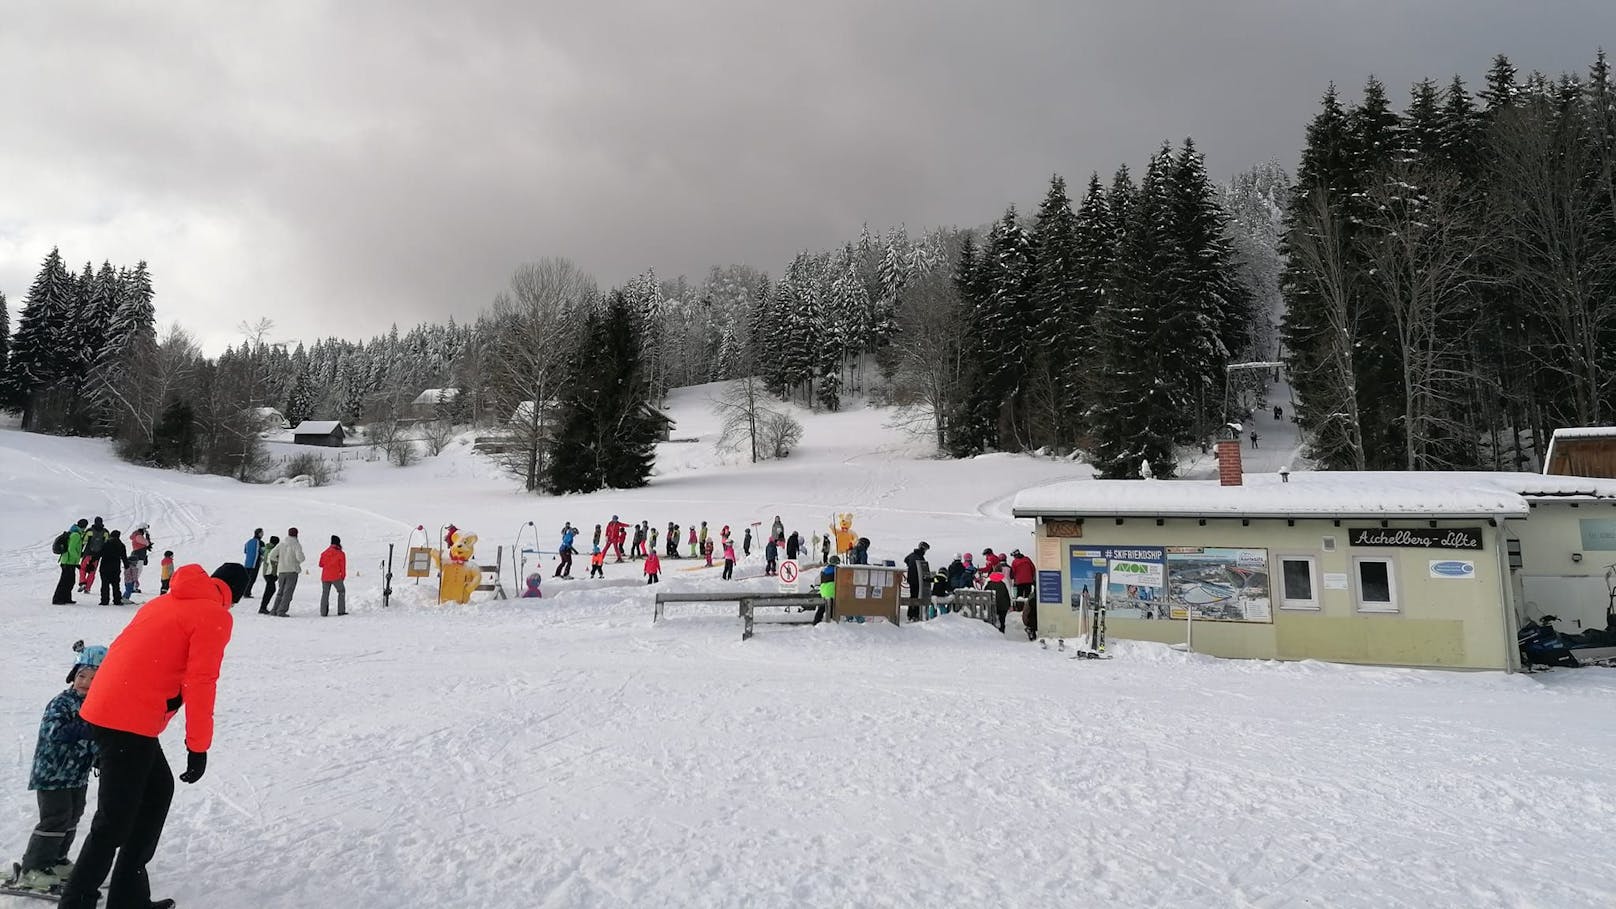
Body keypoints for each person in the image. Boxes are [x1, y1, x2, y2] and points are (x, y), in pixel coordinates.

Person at [57, 562, 245, 909]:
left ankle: (128, 898)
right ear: (236, 593)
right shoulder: (214, 615)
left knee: (156, 792)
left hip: (112, 709)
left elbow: (130, 652)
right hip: (127, 720)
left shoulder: (163, 601)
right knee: (114, 822)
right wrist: (198, 746)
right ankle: (75, 903)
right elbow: (201, 682)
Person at [11, 644, 105, 893]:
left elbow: (94, 742)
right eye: (81, 675)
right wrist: (87, 727)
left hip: (76, 775)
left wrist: (100, 758)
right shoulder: (63, 703)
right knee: (54, 819)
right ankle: (33, 868)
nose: (85, 682)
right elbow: (55, 732)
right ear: (73, 676)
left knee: (72, 817)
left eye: (94, 678)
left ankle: (56, 860)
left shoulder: (97, 706)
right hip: (52, 774)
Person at [270, 527, 305, 617]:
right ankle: (281, 611)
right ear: (296, 534)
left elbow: (272, 555)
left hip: (281, 570)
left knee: (280, 591)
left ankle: (274, 610)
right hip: (292, 571)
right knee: (288, 593)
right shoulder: (296, 544)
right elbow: (300, 558)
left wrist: (279, 561)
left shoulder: (281, 543)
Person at [53, 519, 88, 605]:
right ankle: (58, 599)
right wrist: (77, 556)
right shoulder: (76, 535)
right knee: (65, 581)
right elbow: (71, 548)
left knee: (70, 581)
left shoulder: (75, 532)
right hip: (68, 561)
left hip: (70, 561)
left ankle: (66, 598)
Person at [1009, 549, 1037, 639]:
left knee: (1019, 596)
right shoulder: (1027, 559)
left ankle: (1020, 609)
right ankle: (1027, 608)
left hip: (1019, 581)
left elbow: (1012, 573)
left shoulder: (1015, 562)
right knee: (1028, 596)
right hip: (1028, 580)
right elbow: (1033, 568)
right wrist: (1032, 577)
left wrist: (1013, 577)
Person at [77, 518, 109, 595]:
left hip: (87, 553)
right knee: (92, 572)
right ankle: (88, 588)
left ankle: (82, 582)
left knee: (82, 568)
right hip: (97, 555)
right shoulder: (105, 532)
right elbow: (106, 544)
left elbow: (84, 542)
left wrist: (80, 552)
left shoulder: (89, 531)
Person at [97, 530, 129, 607]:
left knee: (105, 584)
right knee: (116, 584)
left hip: (105, 566)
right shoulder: (121, 545)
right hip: (115, 567)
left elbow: (99, 554)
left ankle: (104, 600)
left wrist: (92, 561)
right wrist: (126, 566)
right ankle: (117, 600)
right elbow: (124, 557)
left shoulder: (106, 544)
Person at [319, 535, 347, 617]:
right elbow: (343, 567)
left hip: (325, 576)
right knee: (341, 591)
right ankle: (341, 610)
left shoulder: (324, 552)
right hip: (336, 576)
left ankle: (323, 612)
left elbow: (320, 564)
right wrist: (343, 576)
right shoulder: (341, 553)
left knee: (325, 593)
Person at [126, 523, 152, 596]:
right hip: (139, 555)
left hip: (137, 554)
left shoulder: (136, 535)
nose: (145, 531)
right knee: (137, 571)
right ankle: (133, 587)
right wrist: (147, 537)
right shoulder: (139, 536)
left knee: (136, 571)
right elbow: (147, 543)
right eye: (144, 530)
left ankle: (133, 586)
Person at [256, 536, 279, 614]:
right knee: (270, 590)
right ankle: (263, 607)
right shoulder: (272, 550)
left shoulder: (267, 548)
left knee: (270, 589)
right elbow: (272, 562)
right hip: (269, 573)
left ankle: (263, 607)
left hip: (266, 572)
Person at [813, 556, 839, 624]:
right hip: (832, 593)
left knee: (822, 609)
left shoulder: (824, 569)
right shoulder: (836, 570)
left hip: (823, 592)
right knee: (831, 609)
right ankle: (830, 622)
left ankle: (816, 622)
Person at [242, 528, 264, 597]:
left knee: (246, 578)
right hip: (255, 563)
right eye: (262, 533)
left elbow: (245, 551)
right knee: (252, 579)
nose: (263, 534)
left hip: (247, 563)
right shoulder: (260, 542)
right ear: (259, 533)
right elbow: (263, 552)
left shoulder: (248, 542)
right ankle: (247, 593)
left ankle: (243, 591)